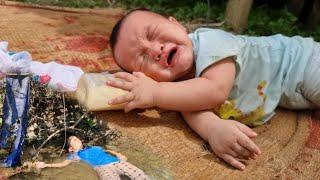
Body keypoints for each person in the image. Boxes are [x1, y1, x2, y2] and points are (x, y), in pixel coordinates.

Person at [106, 8, 320, 170]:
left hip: (300, 61)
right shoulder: (177, 89)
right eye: (142, 59)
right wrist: (214, 129)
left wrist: (154, 93)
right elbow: (194, 106)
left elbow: (213, 91)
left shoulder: (212, 42)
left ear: (177, 24)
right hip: (290, 92)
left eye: (153, 33)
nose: (155, 50)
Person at [35, 136, 150, 180]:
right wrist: (46, 165)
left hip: (116, 162)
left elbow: (105, 150)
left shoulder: (93, 147)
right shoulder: (75, 155)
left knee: (141, 176)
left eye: (76, 138)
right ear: (70, 149)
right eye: (73, 140)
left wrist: (117, 153)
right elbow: (63, 164)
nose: (77, 139)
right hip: (102, 168)